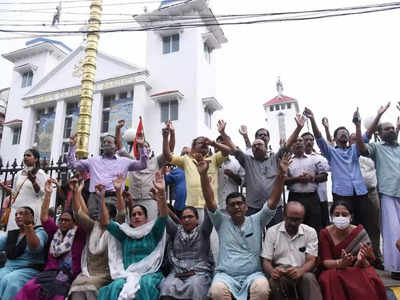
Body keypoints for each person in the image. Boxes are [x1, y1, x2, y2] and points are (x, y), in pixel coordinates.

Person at [198, 151, 290, 300]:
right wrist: (203, 175)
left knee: (261, 289)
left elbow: (273, 201)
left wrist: (281, 175)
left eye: (240, 203)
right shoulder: (221, 221)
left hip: (253, 275)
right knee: (216, 291)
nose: (236, 207)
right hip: (225, 276)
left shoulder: (257, 220)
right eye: (232, 205)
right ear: (227, 209)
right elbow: (210, 201)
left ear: (246, 207)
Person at [219, 117, 304, 227]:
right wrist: (223, 133)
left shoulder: (275, 158)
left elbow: (288, 144)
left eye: (259, 145)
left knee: (274, 237)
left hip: (274, 206)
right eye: (254, 146)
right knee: (253, 238)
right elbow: (233, 148)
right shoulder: (247, 160)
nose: (256, 147)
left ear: (266, 147)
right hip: (252, 207)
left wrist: (298, 128)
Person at [98, 171, 168, 300]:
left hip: (149, 274)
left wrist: (162, 194)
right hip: (127, 275)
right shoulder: (125, 234)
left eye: (140, 214)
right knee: (115, 287)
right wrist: (101, 197)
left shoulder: (153, 232)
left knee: (145, 285)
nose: (136, 216)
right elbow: (105, 222)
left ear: (146, 219)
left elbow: (163, 215)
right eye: (133, 214)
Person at [15, 178, 87, 300]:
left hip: (67, 275)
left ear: (74, 223)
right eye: (61, 220)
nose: (63, 222)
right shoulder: (56, 232)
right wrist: (48, 193)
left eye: (67, 220)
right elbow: (44, 217)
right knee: (29, 288)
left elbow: (81, 215)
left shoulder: (79, 234)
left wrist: (76, 193)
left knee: (56, 294)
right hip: (49, 273)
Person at [304, 107, 370, 229]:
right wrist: (312, 119)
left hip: (360, 192)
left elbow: (366, 137)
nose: (344, 133)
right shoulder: (331, 152)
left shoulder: (355, 149)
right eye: (340, 132)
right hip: (342, 194)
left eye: (345, 131)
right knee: (344, 225)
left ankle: (363, 248)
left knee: (362, 225)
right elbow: (319, 138)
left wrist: (358, 124)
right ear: (334, 138)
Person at [356, 103, 400, 279]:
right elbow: (361, 147)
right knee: (393, 232)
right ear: (379, 134)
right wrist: (377, 118)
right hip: (389, 194)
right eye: (386, 129)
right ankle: (397, 268)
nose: (391, 131)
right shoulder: (377, 148)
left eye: (392, 128)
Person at [68, 174, 126, 300]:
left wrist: (117, 191)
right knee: (76, 285)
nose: (100, 216)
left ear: (110, 217)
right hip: (88, 273)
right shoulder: (93, 226)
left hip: (106, 274)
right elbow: (78, 214)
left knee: (89, 287)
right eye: (100, 214)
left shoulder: (115, 228)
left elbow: (122, 212)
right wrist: (76, 191)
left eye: (103, 213)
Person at [67, 133, 147, 219]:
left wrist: (142, 147)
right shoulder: (93, 161)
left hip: (114, 198)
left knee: (112, 225)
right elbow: (73, 164)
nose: (105, 144)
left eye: (109, 142)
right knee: (94, 225)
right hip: (94, 198)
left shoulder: (125, 161)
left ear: (116, 146)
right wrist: (72, 146)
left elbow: (143, 165)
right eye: (104, 142)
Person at [318, 201, 386, 300]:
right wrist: (340, 263)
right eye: (336, 214)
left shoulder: (360, 232)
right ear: (331, 217)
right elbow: (325, 261)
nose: (340, 217)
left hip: (358, 267)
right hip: (335, 269)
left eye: (344, 214)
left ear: (351, 217)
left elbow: (368, 264)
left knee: (369, 276)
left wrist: (361, 260)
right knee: (328, 278)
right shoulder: (325, 233)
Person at [162, 122, 230, 220]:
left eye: (206, 143)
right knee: (195, 234)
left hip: (211, 205)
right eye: (200, 142)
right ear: (193, 147)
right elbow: (168, 156)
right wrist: (166, 136)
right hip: (192, 207)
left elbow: (228, 151)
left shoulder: (214, 159)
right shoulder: (186, 160)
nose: (204, 144)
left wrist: (213, 143)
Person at [262, 201, 322, 300]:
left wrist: (301, 271)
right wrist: (272, 271)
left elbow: (311, 259)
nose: (293, 223)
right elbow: (266, 261)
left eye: (298, 220)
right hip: (280, 271)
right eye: (291, 219)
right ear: (284, 216)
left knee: (309, 278)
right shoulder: (272, 232)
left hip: (302, 270)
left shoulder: (310, 232)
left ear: (303, 218)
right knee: (274, 281)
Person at [116, 119, 175, 220]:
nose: (142, 148)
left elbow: (169, 151)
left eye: (145, 146)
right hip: (133, 199)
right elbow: (120, 148)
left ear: (149, 150)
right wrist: (117, 129)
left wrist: (171, 134)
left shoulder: (156, 161)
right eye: (139, 146)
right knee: (134, 226)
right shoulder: (130, 160)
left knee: (150, 226)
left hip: (150, 199)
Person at [159, 206, 214, 300]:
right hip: (177, 273)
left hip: (198, 273)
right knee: (167, 286)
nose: (186, 220)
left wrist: (208, 202)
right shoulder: (176, 231)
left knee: (194, 285)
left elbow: (209, 216)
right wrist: (160, 201)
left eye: (190, 217)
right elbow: (165, 218)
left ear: (197, 219)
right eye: (184, 217)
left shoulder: (203, 231)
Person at [349, 133, 383, 269]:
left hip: (371, 192)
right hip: (354, 194)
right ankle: (357, 258)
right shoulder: (349, 154)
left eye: (358, 138)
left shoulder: (371, 153)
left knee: (374, 226)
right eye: (353, 138)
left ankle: (376, 257)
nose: (356, 140)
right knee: (356, 228)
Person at [0, 207, 48, 300]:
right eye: (16, 215)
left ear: (31, 217)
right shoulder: (12, 234)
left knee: (11, 281)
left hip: (28, 269)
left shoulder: (40, 232)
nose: (18, 216)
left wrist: (28, 226)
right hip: (9, 268)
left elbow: (36, 248)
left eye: (22, 214)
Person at [285, 136, 328, 232]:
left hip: (312, 198)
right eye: (295, 141)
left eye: (300, 141)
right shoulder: (287, 161)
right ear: (291, 145)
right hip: (295, 197)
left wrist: (311, 178)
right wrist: (297, 179)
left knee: (315, 226)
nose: (298, 143)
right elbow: (283, 180)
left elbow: (324, 176)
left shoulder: (314, 159)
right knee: (295, 226)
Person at [0, 148, 48, 231]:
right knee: (13, 235)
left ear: (36, 159)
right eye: (24, 155)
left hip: (31, 210)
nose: (25, 157)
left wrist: (33, 182)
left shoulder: (40, 173)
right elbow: (14, 192)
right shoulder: (18, 174)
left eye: (28, 155)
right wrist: (2, 186)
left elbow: (42, 194)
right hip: (16, 209)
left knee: (27, 235)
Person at [301, 132, 331, 227]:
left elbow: (325, 175)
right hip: (303, 199)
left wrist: (312, 177)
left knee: (322, 227)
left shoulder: (321, 158)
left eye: (311, 140)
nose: (309, 142)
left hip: (321, 199)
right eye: (306, 140)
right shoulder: (295, 159)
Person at [216, 135, 245, 210]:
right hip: (215, 206)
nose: (222, 147)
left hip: (233, 206)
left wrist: (232, 175)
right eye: (219, 144)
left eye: (224, 144)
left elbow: (242, 182)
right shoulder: (210, 162)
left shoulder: (236, 161)